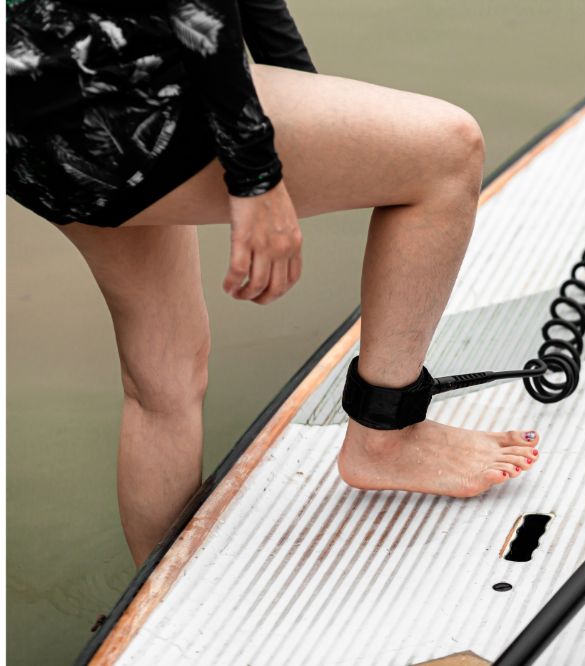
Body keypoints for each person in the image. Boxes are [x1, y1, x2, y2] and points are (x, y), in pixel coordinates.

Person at [7, 0, 541, 568]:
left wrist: (317, 106)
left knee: (162, 381)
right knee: (449, 150)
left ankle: (156, 601)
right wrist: (257, 175)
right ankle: (385, 435)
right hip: (123, 87)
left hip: (25, 106)